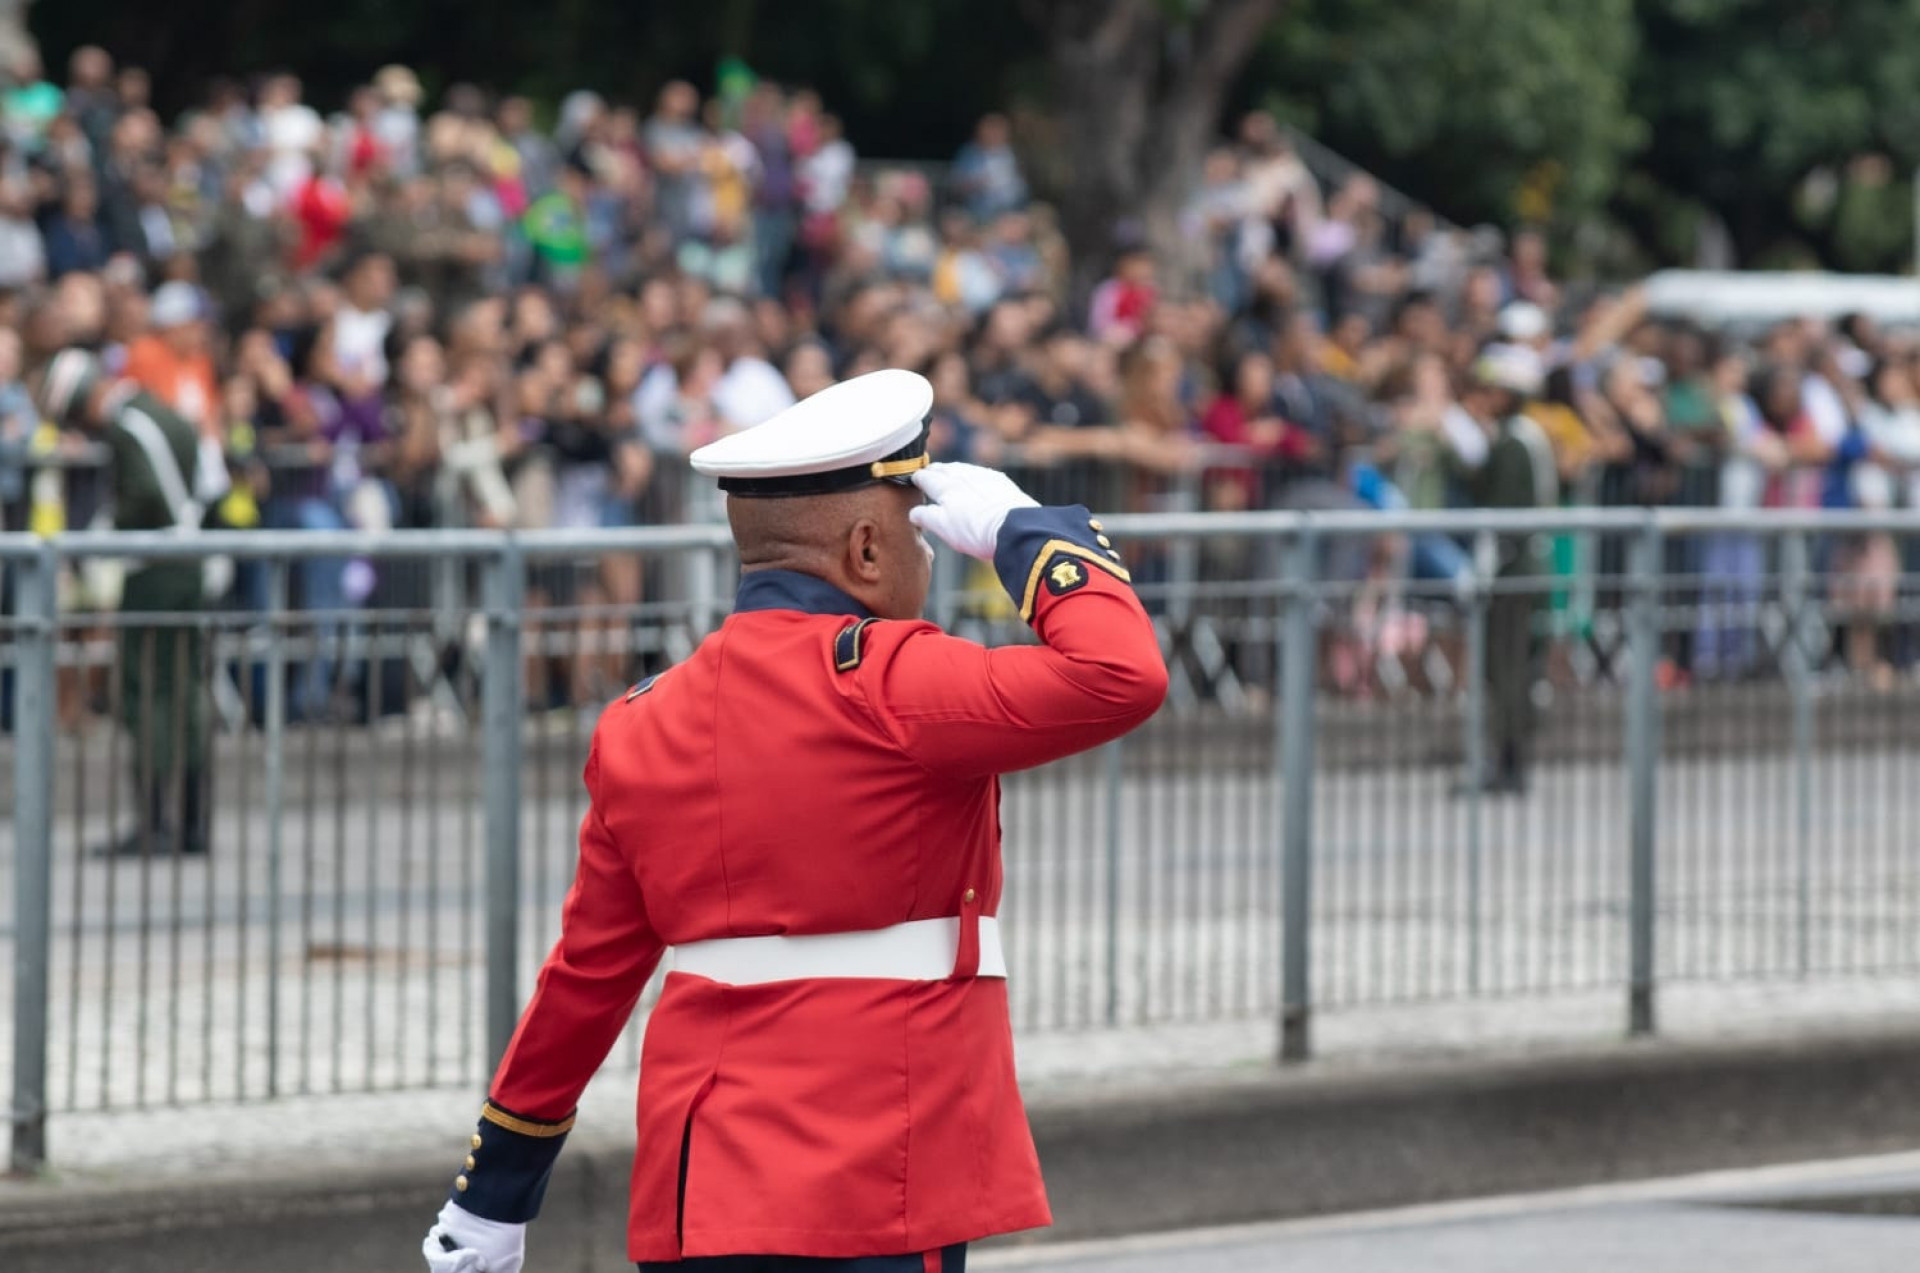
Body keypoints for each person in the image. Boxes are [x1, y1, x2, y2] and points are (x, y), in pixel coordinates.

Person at [420, 369, 1167, 1272]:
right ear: (863, 550)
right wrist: (1025, 533)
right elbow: (1122, 673)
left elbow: (586, 981)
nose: (927, 561)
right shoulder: (895, 679)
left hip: (703, 1188)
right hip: (879, 1174)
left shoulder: (640, 720)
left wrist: (494, 1192)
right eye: (918, 538)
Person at [37, 347, 229, 855]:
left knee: (150, 692)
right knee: (186, 687)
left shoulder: (129, 426)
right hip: (187, 564)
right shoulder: (161, 412)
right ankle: (191, 821)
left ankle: (155, 823)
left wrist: (105, 529)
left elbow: (145, 494)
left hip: (155, 571)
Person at [1462, 344, 1556, 795]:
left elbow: (1503, 508)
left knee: (1507, 666)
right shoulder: (1524, 436)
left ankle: (1509, 762)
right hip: (1526, 564)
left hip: (1514, 568)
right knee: (1512, 665)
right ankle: (1508, 760)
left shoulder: (1514, 442)